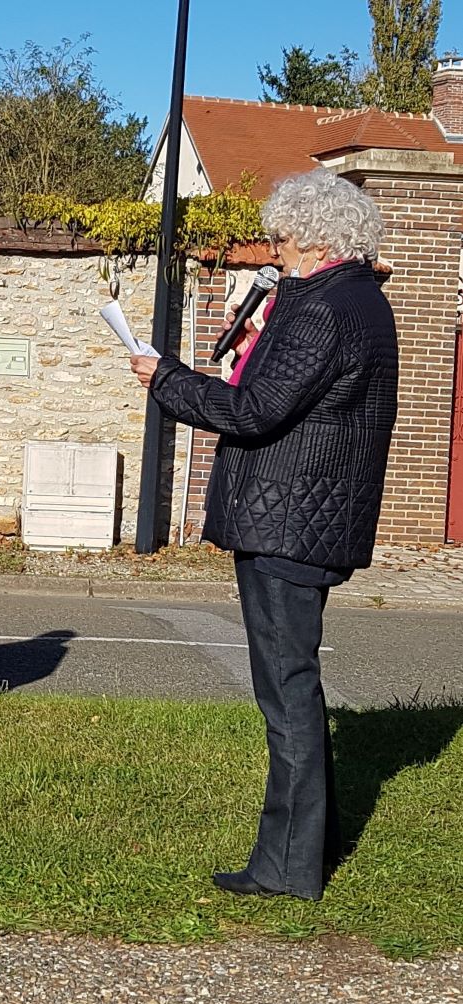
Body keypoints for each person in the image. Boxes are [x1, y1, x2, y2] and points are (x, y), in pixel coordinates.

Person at [129, 169, 397, 902]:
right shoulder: (357, 300)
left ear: (314, 240)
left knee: (286, 691)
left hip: (291, 519)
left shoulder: (320, 309)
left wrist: (163, 377)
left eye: (279, 238)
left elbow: (254, 411)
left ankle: (284, 867)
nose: (272, 251)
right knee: (295, 688)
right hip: (311, 515)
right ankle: (308, 845)